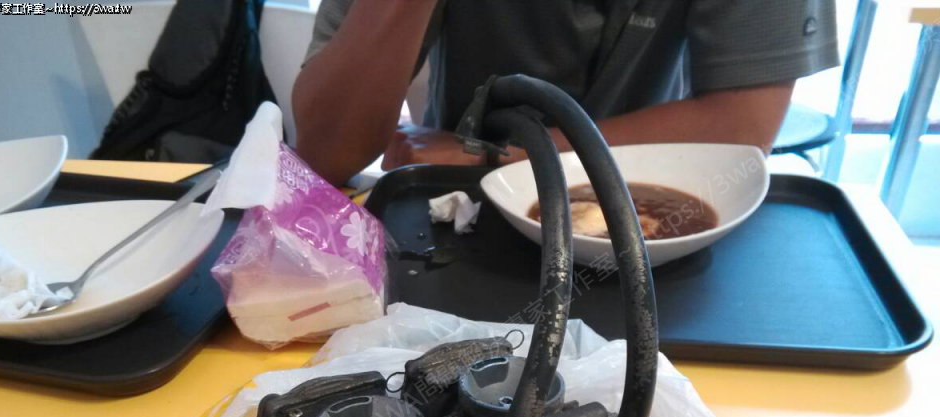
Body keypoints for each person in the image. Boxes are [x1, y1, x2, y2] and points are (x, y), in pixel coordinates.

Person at [293, 0, 839, 185]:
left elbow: (742, 129)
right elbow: (327, 151)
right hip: (457, 221)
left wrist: (501, 156)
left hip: (653, 205)